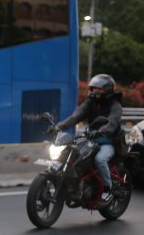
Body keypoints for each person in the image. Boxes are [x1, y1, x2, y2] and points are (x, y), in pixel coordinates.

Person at [49, 74, 123, 207]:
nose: (95, 91)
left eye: (99, 88)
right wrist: (59, 127)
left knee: (100, 159)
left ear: (107, 89)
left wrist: (102, 130)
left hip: (108, 142)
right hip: (91, 139)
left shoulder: (115, 105)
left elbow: (112, 122)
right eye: (93, 88)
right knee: (73, 153)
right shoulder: (90, 103)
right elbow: (75, 117)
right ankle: (75, 185)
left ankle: (108, 189)